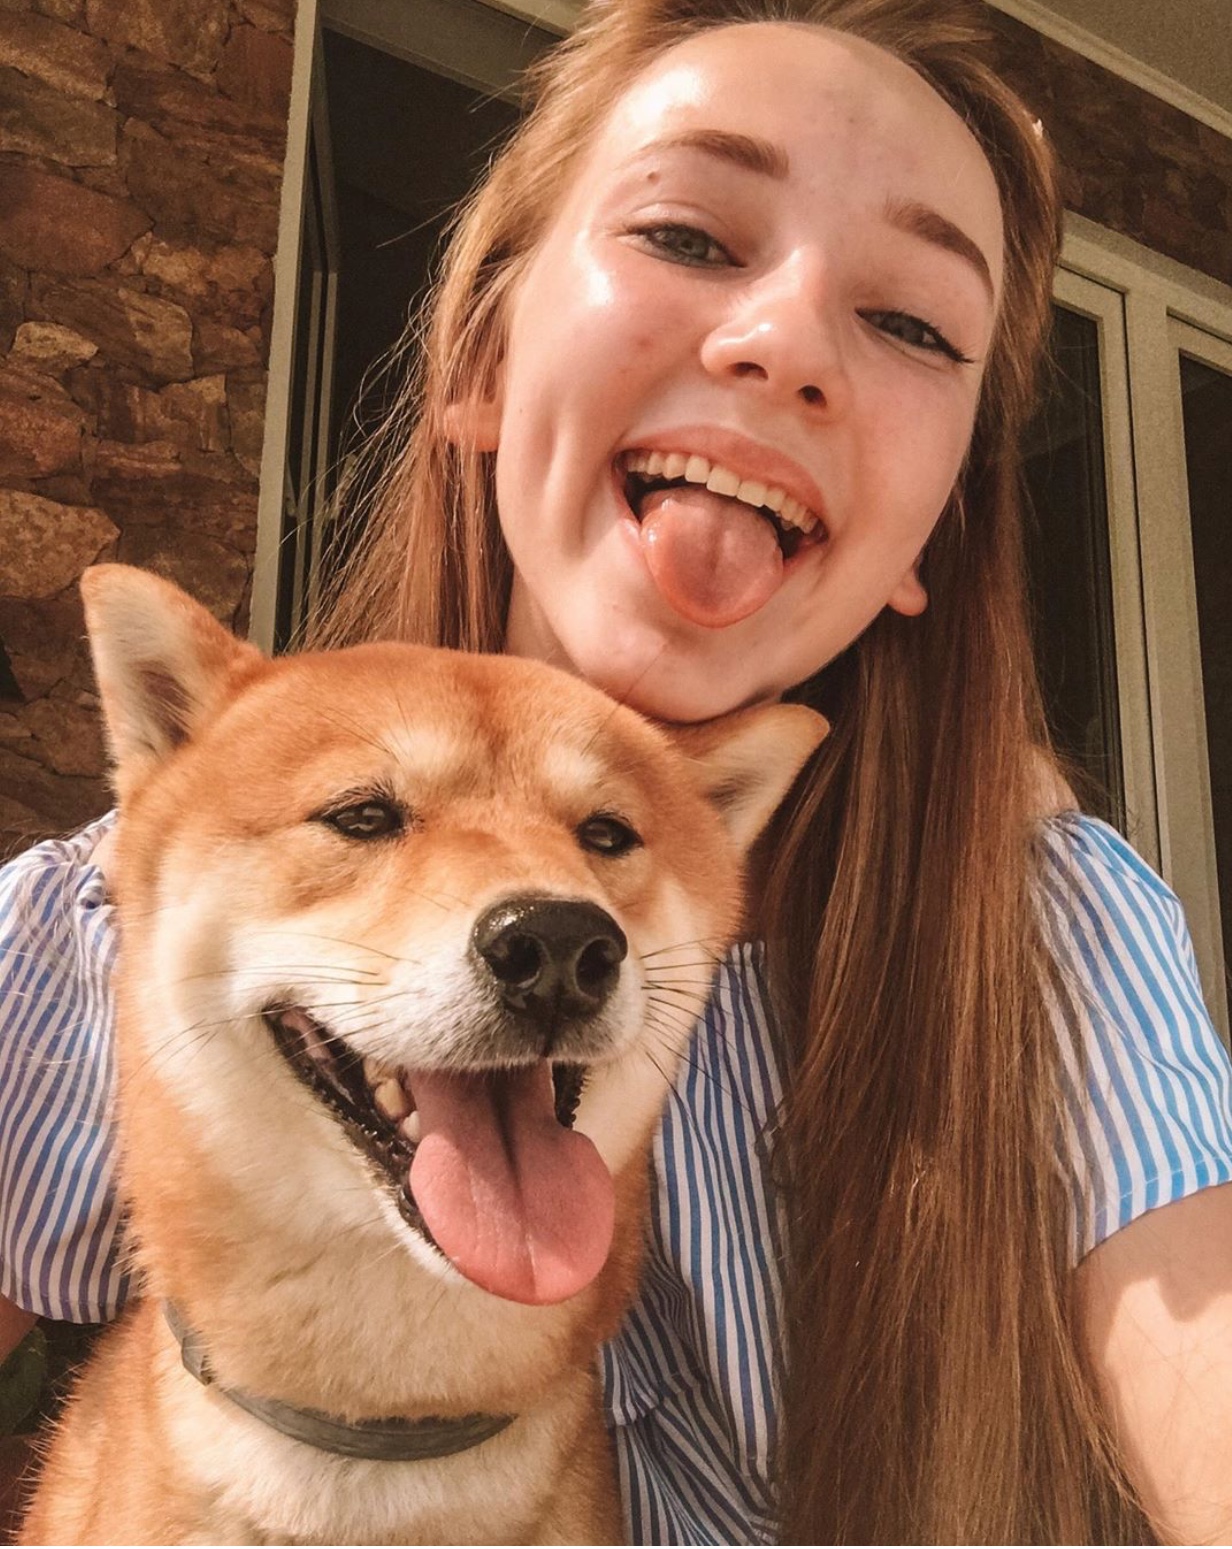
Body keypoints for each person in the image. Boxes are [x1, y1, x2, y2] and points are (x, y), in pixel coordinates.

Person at [2, 0, 1231, 1540]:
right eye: (692, 233)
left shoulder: (1040, 939)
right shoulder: (112, 917)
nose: (782, 344)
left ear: (934, 534)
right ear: (485, 361)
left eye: (912, 322)